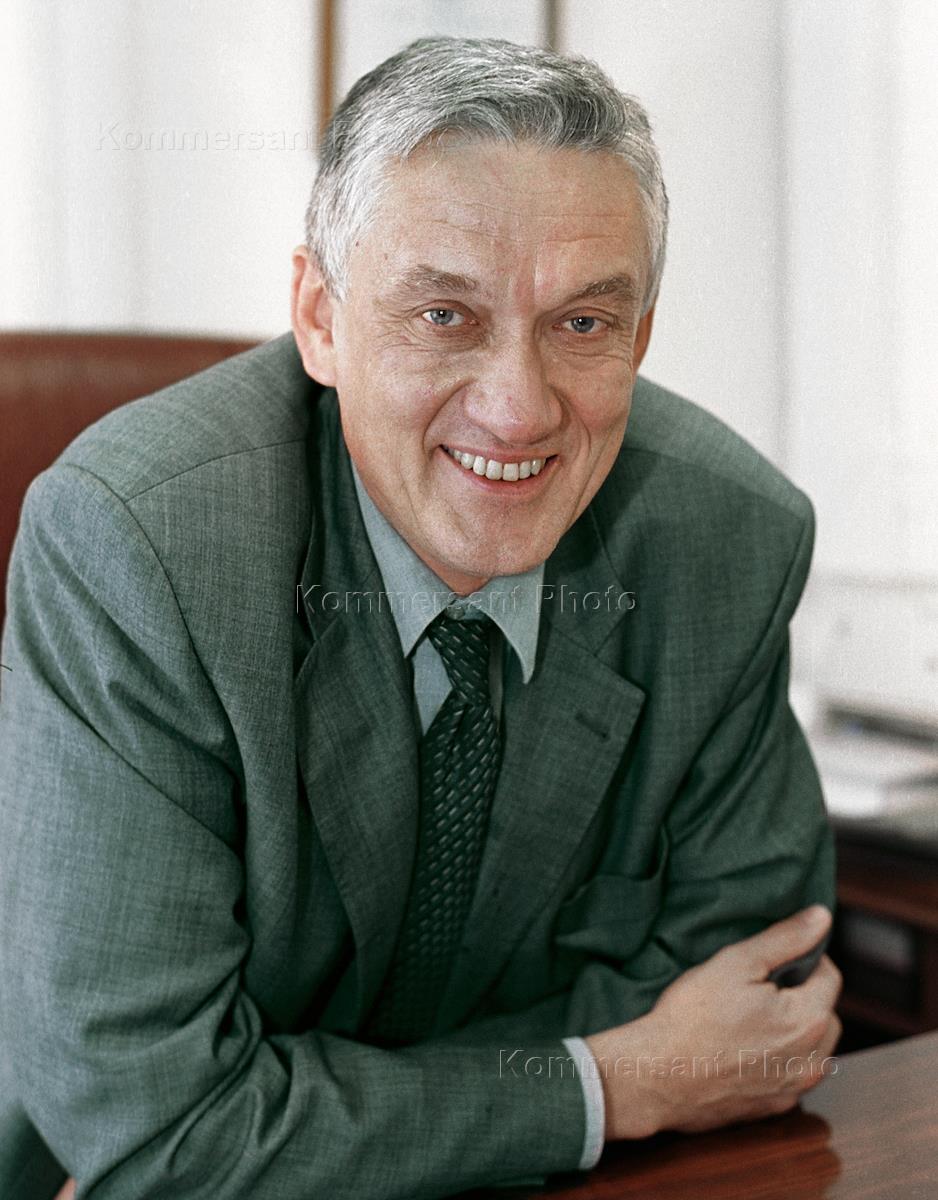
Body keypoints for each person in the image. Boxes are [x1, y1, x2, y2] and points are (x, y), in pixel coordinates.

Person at [0, 35, 840, 1200]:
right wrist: (608, 1082)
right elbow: (157, 1130)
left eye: (581, 325)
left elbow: (749, 1007)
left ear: (640, 336)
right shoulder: (139, 546)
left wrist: (285, 1111)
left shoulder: (727, 539)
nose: (517, 409)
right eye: (444, 315)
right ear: (319, 319)